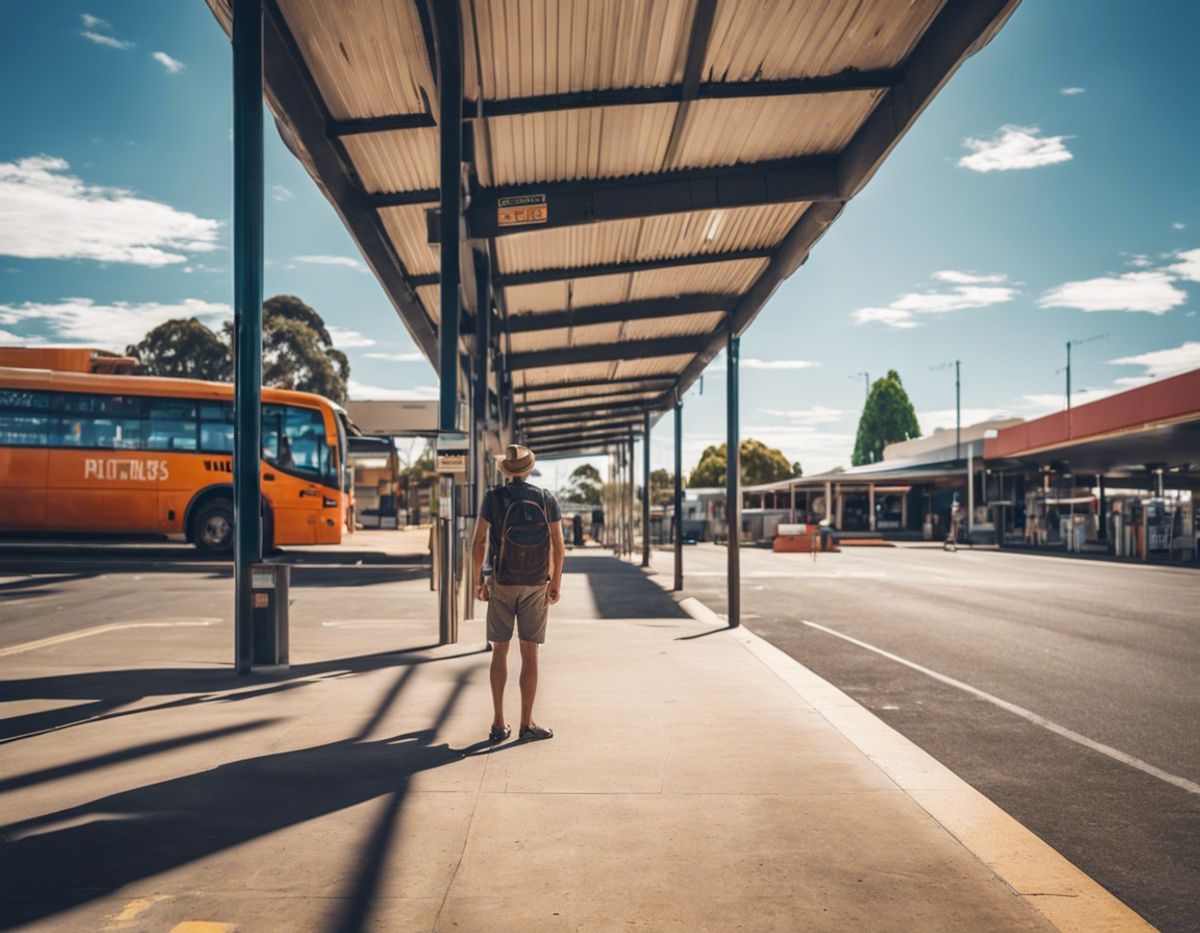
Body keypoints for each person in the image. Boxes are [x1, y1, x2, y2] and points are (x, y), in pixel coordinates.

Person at [471, 444, 564, 744]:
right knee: (530, 653)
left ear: (506, 471)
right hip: (537, 583)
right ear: (528, 469)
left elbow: (478, 542)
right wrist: (555, 582)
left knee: (500, 650)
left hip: (502, 581)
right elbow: (559, 546)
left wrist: (479, 582)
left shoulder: (493, 499)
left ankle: (499, 723)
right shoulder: (546, 498)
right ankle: (527, 723)